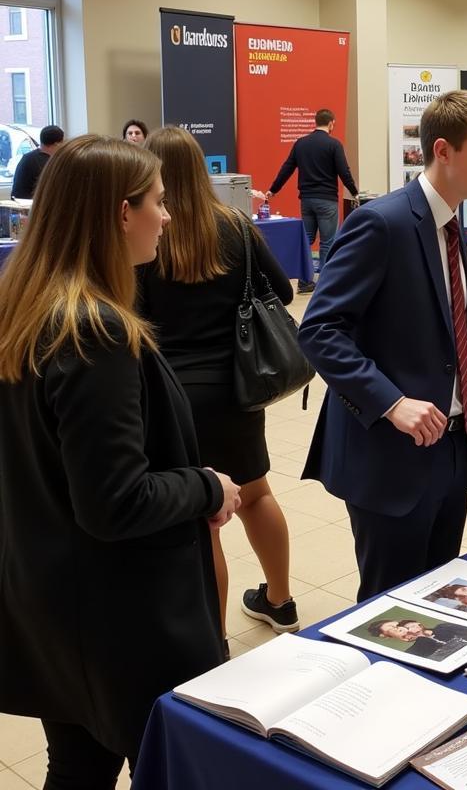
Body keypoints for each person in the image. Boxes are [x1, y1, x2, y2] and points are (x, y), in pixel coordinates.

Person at [0, 135, 240, 787]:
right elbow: (116, 502)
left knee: (77, 763)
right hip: (123, 620)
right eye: (159, 203)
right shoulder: (96, 331)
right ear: (119, 213)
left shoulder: (23, 310)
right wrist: (206, 487)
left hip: (51, 603)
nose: (168, 216)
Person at [298, 91, 467, 602]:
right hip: (391, 455)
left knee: (437, 599)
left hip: (452, 445)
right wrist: (391, 401)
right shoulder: (383, 222)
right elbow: (320, 330)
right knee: (388, 609)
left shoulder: (451, 224)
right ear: (443, 150)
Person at [138, 126, 299, 638]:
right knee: (254, 493)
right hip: (239, 386)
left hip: (171, 394)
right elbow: (281, 291)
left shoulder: (144, 235)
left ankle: (216, 639)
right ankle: (281, 601)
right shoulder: (234, 224)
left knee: (204, 513)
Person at [266, 108, 358, 292]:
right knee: (328, 241)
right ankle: (325, 282)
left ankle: (304, 281)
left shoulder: (301, 143)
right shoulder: (334, 144)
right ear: (331, 123)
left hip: (306, 201)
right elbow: (343, 171)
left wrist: (273, 189)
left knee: (306, 239)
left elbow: (287, 168)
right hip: (327, 201)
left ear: (315, 122)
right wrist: (355, 192)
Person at [367, 618, 467, 660]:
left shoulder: (443, 628)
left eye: (398, 625)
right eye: (394, 628)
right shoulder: (412, 653)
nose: (401, 628)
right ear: (385, 636)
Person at [11, 124, 63, 199]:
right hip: (32, 205)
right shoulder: (46, 163)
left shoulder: (29, 157)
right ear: (57, 144)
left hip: (21, 204)